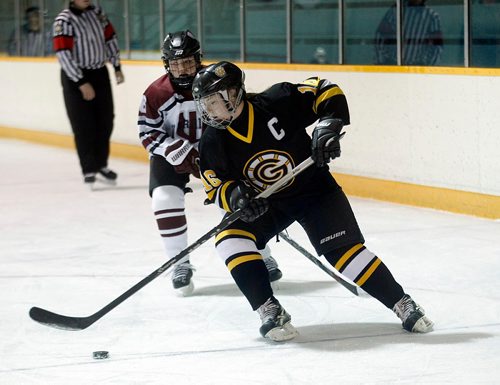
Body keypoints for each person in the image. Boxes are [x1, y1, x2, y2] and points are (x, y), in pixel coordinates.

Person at [193, 61, 434, 341]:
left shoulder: (277, 101)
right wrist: (236, 198)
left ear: (233, 94)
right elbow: (215, 186)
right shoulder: (212, 141)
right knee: (230, 238)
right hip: (268, 202)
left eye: (213, 102)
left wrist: (330, 123)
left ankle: (402, 303)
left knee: (342, 253)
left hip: (314, 190)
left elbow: (325, 89)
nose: (208, 111)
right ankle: (269, 310)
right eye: (204, 104)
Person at [137, 30, 282, 296]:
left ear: (198, 59)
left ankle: (261, 251)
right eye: (176, 63)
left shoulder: (217, 82)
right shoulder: (156, 94)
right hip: (173, 156)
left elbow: (238, 113)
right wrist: (175, 150)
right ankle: (178, 263)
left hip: (217, 151)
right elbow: (147, 132)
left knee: (240, 199)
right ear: (166, 64)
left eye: (188, 62)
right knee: (164, 198)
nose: (182, 69)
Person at [53, 0, 124, 186]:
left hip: (99, 73)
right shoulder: (64, 20)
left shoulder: (98, 12)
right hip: (75, 76)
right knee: (83, 124)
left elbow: (110, 38)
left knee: (105, 120)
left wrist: (116, 65)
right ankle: (88, 168)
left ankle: (101, 165)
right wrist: (81, 82)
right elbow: (63, 53)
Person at [375, 0, 443, 65]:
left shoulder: (432, 17)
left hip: (417, 69)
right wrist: (383, 62)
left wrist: (427, 68)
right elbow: (380, 36)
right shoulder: (396, 10)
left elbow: (437, 47)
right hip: (392, 65)